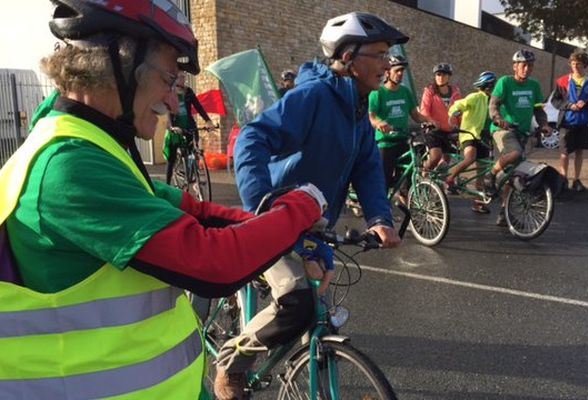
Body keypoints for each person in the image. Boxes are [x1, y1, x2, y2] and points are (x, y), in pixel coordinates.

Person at [0, 1, 328, 398]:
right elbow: (215, 263)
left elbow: (194, 211)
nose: (174, 102)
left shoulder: (90, 142)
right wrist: (303, 205)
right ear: (117, 64)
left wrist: (278, 232)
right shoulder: (68, 166)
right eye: (169, 80)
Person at [218, 12, 404, 399]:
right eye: (381, 54)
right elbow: (253, 139)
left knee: (316, 299)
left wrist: (380, 218)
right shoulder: (315, 96)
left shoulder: (358, 114)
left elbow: (368, 168)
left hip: (313, 224)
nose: (388, 64)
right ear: (349, 56)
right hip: (276, 218)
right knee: (298, 303)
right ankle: (230, 363)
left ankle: (302, 361)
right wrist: (263, 206)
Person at [486, 49, 552, 226]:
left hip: (522, 132)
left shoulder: (535, 86)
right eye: (523, 65)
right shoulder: (505, 82)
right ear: (515, 66)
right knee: (514, 153)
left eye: (530, 65)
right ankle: (490, 176)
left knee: (513, 173)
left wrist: (544, 125)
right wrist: (499, 120)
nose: (527, 68)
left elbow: (539, 110)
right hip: (503, 130)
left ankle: (503, 212)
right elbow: (493, 106)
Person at [369, 54, 435, 205]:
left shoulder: (405, 92)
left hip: (403, 139)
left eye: (402, 71)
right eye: (397, 70)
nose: (400, 74)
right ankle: (380, 209)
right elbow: (371, 117)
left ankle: (405, 201)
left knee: (410, 173)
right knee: (383, 180)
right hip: (385, 142)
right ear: (388, 72)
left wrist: (430, 121)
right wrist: (380, 123)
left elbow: (416, 115)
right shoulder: (377, 93)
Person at [447, 71, 497, 213]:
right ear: (484, 86)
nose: (491, 88)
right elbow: (458, 105)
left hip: (484, 137)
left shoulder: (494, 101)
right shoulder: (475, 97)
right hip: (469, 135)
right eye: (489, 85)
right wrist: (453, 114)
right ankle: (450, 178)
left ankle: (478, 203)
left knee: (482, 171)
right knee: (470, 158)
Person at [550, 51, 588, 192]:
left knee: (579, 151)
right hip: (567, 123)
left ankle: (577, 180)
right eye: (573, 64)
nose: (575, 67)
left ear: (585, 65)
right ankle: (563, 179)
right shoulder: (562, 81)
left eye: (578, 64)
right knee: (564, 152)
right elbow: (555, 100)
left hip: (584, 122)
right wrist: (569, 106)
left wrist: (587, 103)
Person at [163, 71, 215, 185]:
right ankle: (167, 184)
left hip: (189, 126)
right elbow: (168, 111)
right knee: (171, 159)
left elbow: (198, 106)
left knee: (194, 150)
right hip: (175, 127)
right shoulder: (170, 92)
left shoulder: (188, 91)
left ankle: (194, 177)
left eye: (184, 77)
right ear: (175, 78)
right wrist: (172, 127)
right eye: (180, 77)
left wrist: (208, 121)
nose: (183, 79)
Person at [420, 63, 462, 171]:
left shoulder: (455, 92)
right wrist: (432, 121)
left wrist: (461, 127)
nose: (440, 78)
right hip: (433, 130)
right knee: (436, 156)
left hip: (449, 130)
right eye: (438, 75)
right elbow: (424, 111)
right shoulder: (430, 91)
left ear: (449, 76)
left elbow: (460, 111)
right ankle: (424, 172)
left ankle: (438, 184)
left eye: (443, 75)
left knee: (445, 162)